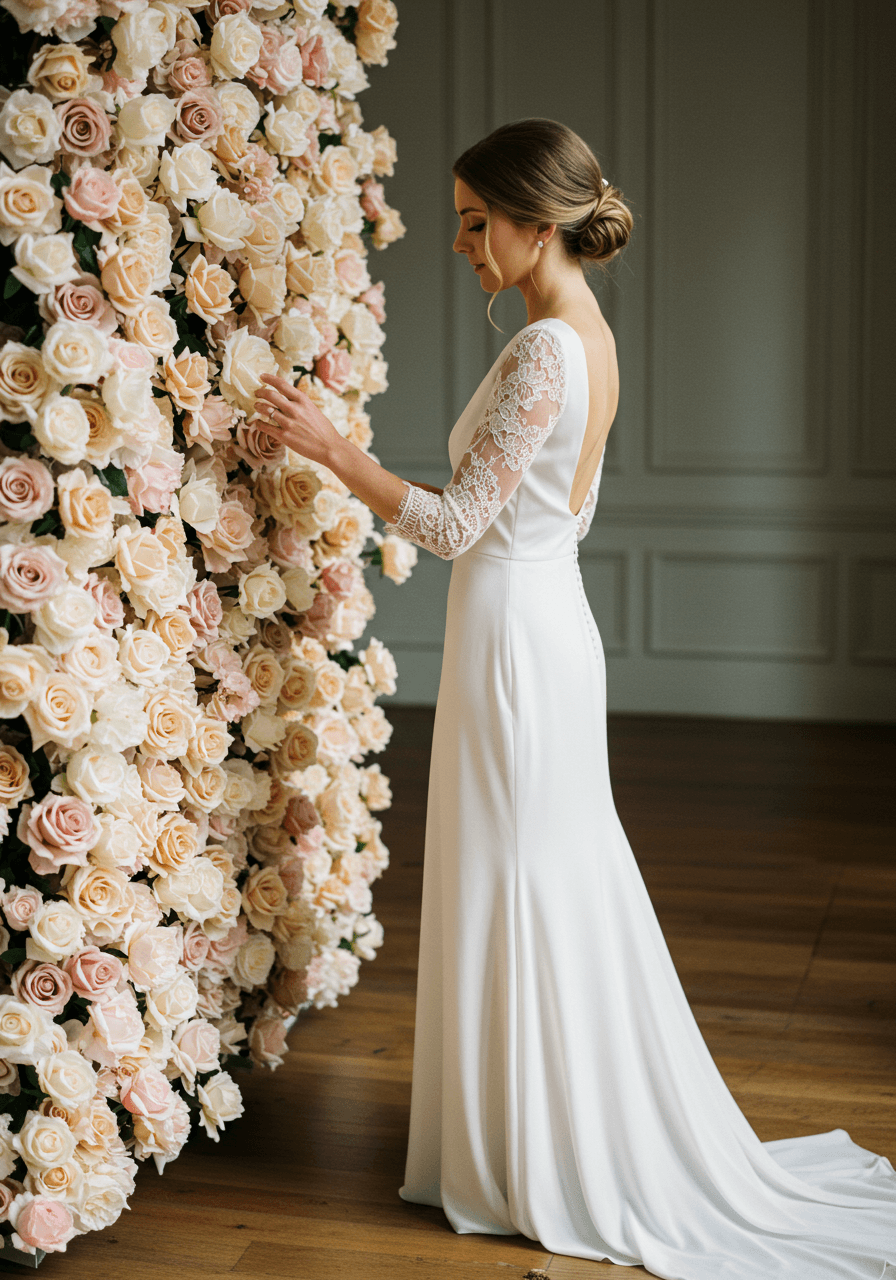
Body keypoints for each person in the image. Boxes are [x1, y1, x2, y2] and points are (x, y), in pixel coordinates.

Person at [254, 119, 896, 1280]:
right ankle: (523, 1139)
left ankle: (532, 1152)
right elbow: (542, 517)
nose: (457, 242)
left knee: (522, 883)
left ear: (533, 223)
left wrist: (330, 451)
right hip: (546, 625)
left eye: (470, 219)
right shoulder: (586, 336)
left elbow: (455, 527)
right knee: (534, 881)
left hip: (514, 642)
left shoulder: (547, 350)